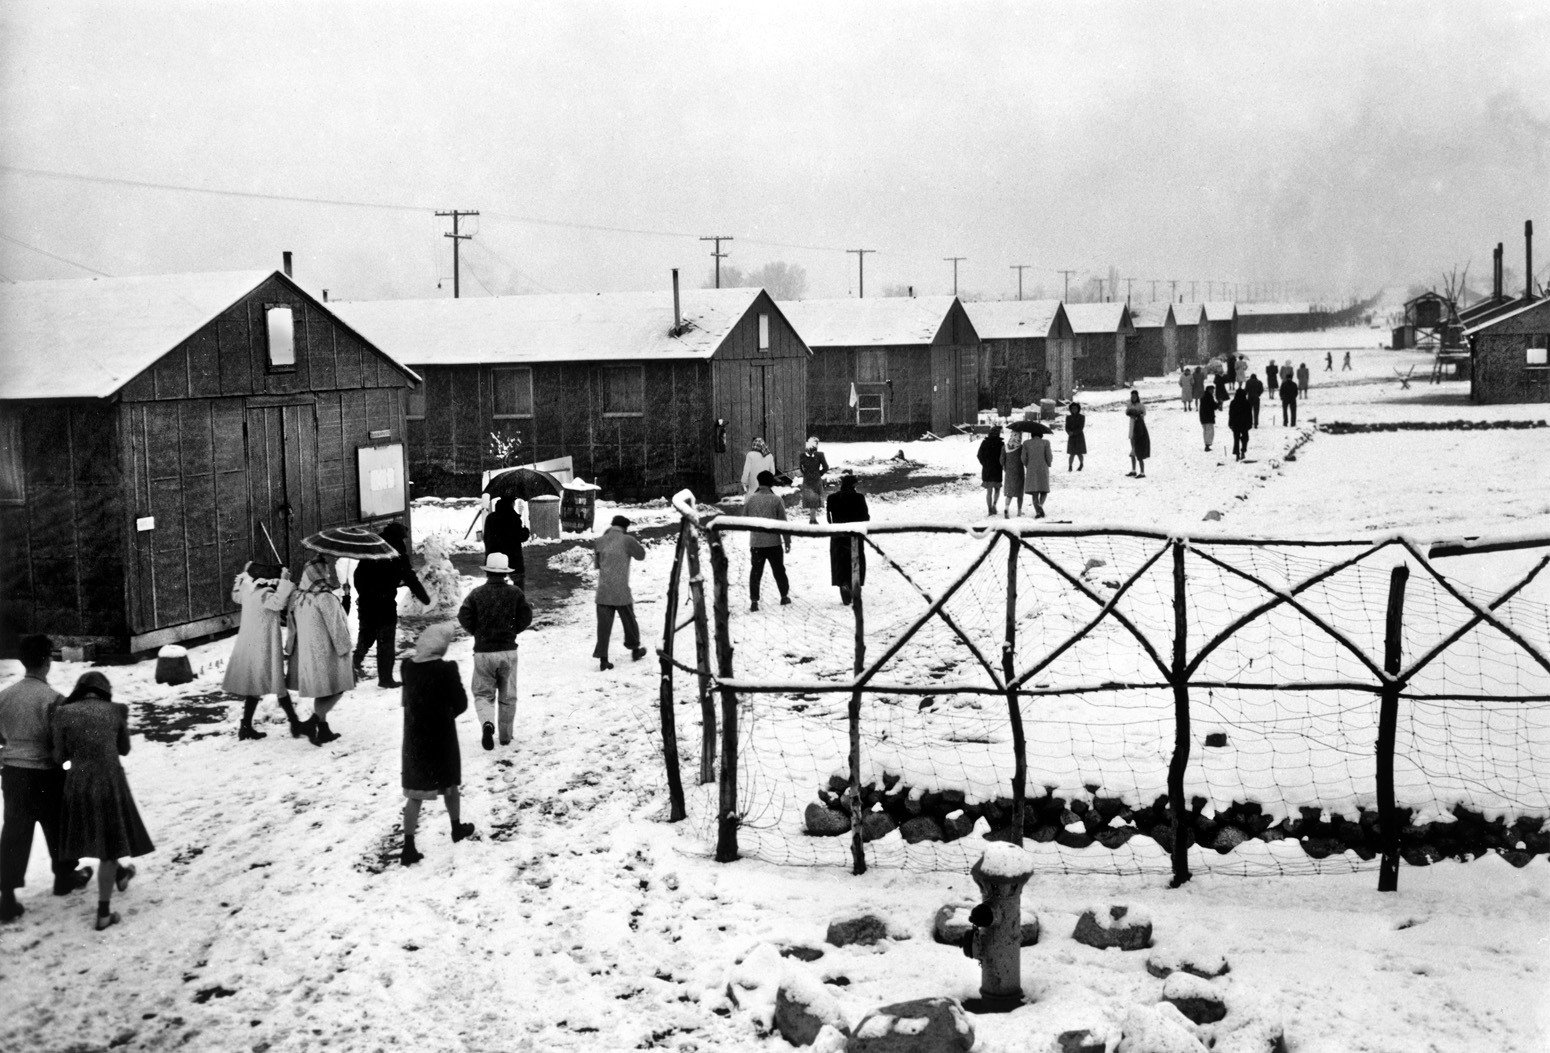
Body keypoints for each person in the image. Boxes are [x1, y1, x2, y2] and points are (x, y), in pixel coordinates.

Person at [51, 672, 153, 931]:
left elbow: (58, 756)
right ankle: (104, 913)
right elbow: (124, 749)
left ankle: (119, 875)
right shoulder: (116, 710)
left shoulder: (63, 713)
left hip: (78, 783)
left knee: (101, 837)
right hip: (109, 782)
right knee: (110, 847)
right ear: (104, 690)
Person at [1, 635, 92, 923]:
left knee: (15, 832)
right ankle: (65, 876)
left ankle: (7, 897)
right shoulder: (53, 700)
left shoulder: (4, 696)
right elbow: (61, 743)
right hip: (46, 776)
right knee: (59, 827)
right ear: (47, 661)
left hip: (14, 774)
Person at [398, 623, 475, 867]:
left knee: (415, 793)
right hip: (442, 737)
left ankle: (408, 846)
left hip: (415, 739)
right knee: (450, 784)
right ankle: (456, 827)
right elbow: (461, 703)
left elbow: (405, 701)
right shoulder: (446, 669)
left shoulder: (407, 667)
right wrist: (445, 713)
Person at [457, 552, 534, 751]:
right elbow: (526, 616)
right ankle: (506, 737)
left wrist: (476, 631)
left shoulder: (476, 594)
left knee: (483, 694)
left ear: (487, 573)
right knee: (508, 696)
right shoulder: (515, 593)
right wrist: (512, 631)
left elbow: (463, 615)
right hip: (508, 650)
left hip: (483, 652)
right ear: (505, 573)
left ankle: (487, 724)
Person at [224, 563, 303, 739]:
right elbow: (278, 603)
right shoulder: (265, 594)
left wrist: (242, 577)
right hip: (264, 644)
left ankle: (246, 726)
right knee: (278, 684)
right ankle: (295, 723)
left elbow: (235, 596)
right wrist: (285, 581)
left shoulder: (247, 590)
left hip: (250, 643)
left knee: (255, 686)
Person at [287, 553, 356, 747]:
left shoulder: (298, 596)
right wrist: (346, 652)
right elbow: (337, 627)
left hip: (307, 653)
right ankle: (311, 723)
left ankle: (323, 730)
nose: (328, 574)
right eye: (325, 571)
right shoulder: (325, 597)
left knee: (324, 691)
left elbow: (292, 626)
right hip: (328, 652)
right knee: (338, 688)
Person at [352, 523, 431, 689]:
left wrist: (365, 593)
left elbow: (358, 575)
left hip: (366, 603)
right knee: (385, 641)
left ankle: (352, 665)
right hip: (385, 604)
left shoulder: (372, 549)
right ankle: (385, 678)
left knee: (366, 636)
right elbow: (410, 577)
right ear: (399, 537)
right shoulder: (397, 553)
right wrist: (425, 598)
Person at [593, 515, 647, 670]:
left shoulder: (599, 541)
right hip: (621, 591)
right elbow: (641, 555)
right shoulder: (627, 540)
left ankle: (603, 660)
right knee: (629, 621)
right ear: (625, 527)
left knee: (603, 627)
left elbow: (597, 565)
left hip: (603, 591)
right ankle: (635, 650)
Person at [745, 470, 791, 611]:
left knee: (756, 571)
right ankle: (784, 596)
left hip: (756, 542)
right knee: (778, 570)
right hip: (773, 543)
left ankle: (754, 601)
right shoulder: (777, 500)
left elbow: (744, 518)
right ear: (771, 483)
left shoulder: (750, 499)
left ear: (759, 482)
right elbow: (783, 523)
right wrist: (787, 541)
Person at [825, 470, 870, 605]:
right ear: (853, 486)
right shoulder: (859, 498)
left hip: (838, 535)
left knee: (839, 562)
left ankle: (843, 584)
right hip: (855, 534)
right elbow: (865, 518)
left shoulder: (832, 498)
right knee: (856, 561)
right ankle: (853, 585)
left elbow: (829, 519)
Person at [481, 497, 530, 592]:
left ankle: (496, 602)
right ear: (511, 504)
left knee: (496, 582)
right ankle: (518, 602)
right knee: (518, 582)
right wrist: (525, 531)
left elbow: (486, 537)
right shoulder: (513, 518)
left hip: (494, 557)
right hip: (513, 557)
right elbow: (520, 536)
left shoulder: (490, 518)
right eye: (513, 503)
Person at [1021, 425, 1054, 519]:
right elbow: (1049, 456)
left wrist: (1027, 465)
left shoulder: (1026, 443)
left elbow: (1023, 458)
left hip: (1031, 468)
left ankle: (1037, 512)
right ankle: (1041, 505)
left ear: (1031, 434)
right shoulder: (1046, 442)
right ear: (1041, 434)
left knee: (1034, 491)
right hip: (1043, 467)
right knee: (1044, 490)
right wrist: (1049, 463)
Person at [796, 437, 830, 525]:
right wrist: (819, 473)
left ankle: (812, 518)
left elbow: (801, 468)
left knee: (810, 499)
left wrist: (806, 473)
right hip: (816, 479)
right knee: (815, 499)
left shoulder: (802, 455)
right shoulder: (820, 455)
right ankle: (812, 519)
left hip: (807, 479)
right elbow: (826, 467)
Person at [976, 428, 1004, 515]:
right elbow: (1003, 457)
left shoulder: (984, 443)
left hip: (987, 469)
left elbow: (979, 455)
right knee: (997, 489)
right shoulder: (1001, 444)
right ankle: (994, 504)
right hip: (997, 469)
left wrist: (984, 463)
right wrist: (1001, 464)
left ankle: (989, 509)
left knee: (989, 491)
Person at [1000, 430, 1026, 517]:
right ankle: (1019, 511)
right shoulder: (1021, 447)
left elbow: (1001, 461)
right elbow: (1024, 459)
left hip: (1009, 472)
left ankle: (1007, 507)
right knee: (1020, 492)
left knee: (1009, 492)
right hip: (1019, 472)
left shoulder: (1004, 447)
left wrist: (1005, 466)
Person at [1126, 390, 1150, 477]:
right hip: (1132, 428)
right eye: (1132, 396)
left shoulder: (1141, 405)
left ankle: (1142, 471)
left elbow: (1143, 414)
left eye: (1135, 397)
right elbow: (1127, 412)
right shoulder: (1129, 405)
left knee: (1138, 449)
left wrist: (1138, 415)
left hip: (1139, 428)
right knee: (1133, 449)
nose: (1133, 398)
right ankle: (1133, 470)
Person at [1228, 387, 1252, 461]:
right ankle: (1243, 450)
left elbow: (1230, 414)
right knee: (1245, 438)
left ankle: (1237, 453)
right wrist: (1250, 423)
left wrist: (1230, 423)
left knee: (1236, 439)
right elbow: (1250, 414)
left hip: (1235, 424)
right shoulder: (1247, 402)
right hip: (1244, 424)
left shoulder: (1233, 402)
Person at [1065, 403, 1087, 472]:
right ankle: (1070, 466)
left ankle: (1081, 464)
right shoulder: (1068, 417)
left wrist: (1074, 432)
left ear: (1078, 409)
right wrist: (1069, 432)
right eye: (1072, 408)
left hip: (1079, 436)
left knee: (1079, 453)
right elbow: (1066, 427)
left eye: (1075, 408)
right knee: (1071, 453)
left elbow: (1081, 427)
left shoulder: (1082, 417)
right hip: (1071, 437)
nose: (1074, 410)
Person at [1199, 385, 1217, 451]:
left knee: (1206, 431)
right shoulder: (1209, 397)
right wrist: (1219, 404)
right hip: (1208, 417)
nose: (1213, 391)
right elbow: (1213, 406)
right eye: (1212, 390)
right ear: (1209, 390)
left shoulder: (1204, 397)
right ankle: (1207, 445)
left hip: (1203, 417)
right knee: (1209, 432)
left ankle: (1207, 444)